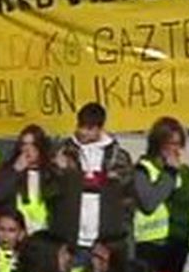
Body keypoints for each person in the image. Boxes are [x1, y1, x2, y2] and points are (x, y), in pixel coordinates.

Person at [49, 103, 134, 255]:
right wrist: (61, 171)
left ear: (99, 129)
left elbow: (124, 190)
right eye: (81, 126)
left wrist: (87, 179)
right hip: (72, 235)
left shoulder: (118, 156)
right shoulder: (64, 151)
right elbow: (52, 189)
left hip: (105, 237)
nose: (82, 132)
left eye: (89, 128)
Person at [133, 116, 189, 272]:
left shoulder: (187, 173)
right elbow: (149, 203)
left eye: (178, 144)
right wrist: (169, 173)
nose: (175, 149)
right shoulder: (143, 169)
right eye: (170, 144)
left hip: (177, 241)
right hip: (150, 243)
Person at [0, 124, 54, 235]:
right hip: (18, 236)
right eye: (24, 144)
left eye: (33, 144)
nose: (27, 149)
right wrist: (15, 171)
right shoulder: (9, 169)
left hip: (43, 235)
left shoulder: (50, 173)